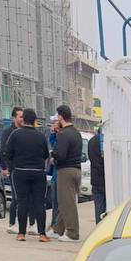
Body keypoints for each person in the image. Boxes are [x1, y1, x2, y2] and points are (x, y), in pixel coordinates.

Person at [3, 108, 49, 242]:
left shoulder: (15, 134)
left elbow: (7, 153)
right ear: (35, 121)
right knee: (39, 202)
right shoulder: (40, 136)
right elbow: (46, 154)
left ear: (24, 120)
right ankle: (42, 234)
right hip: (38, 173)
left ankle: (21, 233)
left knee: (22, 202)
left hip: (20, 172)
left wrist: (14, 164)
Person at [50, 104, 82, 242]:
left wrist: (53, 155)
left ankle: (73, 233)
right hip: (76, 170)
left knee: (67, 203)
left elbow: (61, 155)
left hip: (65, 171)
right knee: (66, 201)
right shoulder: (76, 133)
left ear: (61, 117)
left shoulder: (63, 134)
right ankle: (57, 229)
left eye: (57, 115)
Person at [0, 106, 23, 233]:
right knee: (16, 197)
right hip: (13, 168)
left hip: (24, 168)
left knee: (24, 197)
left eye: (23, 116)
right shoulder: (8, 132)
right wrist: (4, 167)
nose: (22, 119)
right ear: (14, 118)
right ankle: (12, 223)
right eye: (20, 116)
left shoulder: (25, 131)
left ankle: (25, 223)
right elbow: (3, 150)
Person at [87, 129, 106, 222]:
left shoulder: (91, 141)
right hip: (106, 178)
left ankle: (99, 226)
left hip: (96, 177)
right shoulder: (107, 140)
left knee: (99, 206)